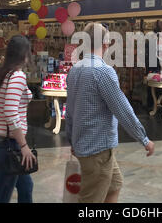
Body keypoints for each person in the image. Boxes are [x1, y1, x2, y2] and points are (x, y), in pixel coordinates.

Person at [66, 22, 155, 203]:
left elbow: (70, 111)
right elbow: (123, 110)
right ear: (106, 44)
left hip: (89, 146)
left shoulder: (75, 69)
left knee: (114, 185)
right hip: (98, 149)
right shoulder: (104, 72)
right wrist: (143, 138)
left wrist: (72, 140)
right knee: (91, 200)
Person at [0, 35, 37, 203]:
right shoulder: (18, 77)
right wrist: (24, 146)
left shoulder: (1, 76)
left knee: (26, 187)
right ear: (25, 54)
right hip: (11, 145)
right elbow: (11, 113)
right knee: (0, 196)